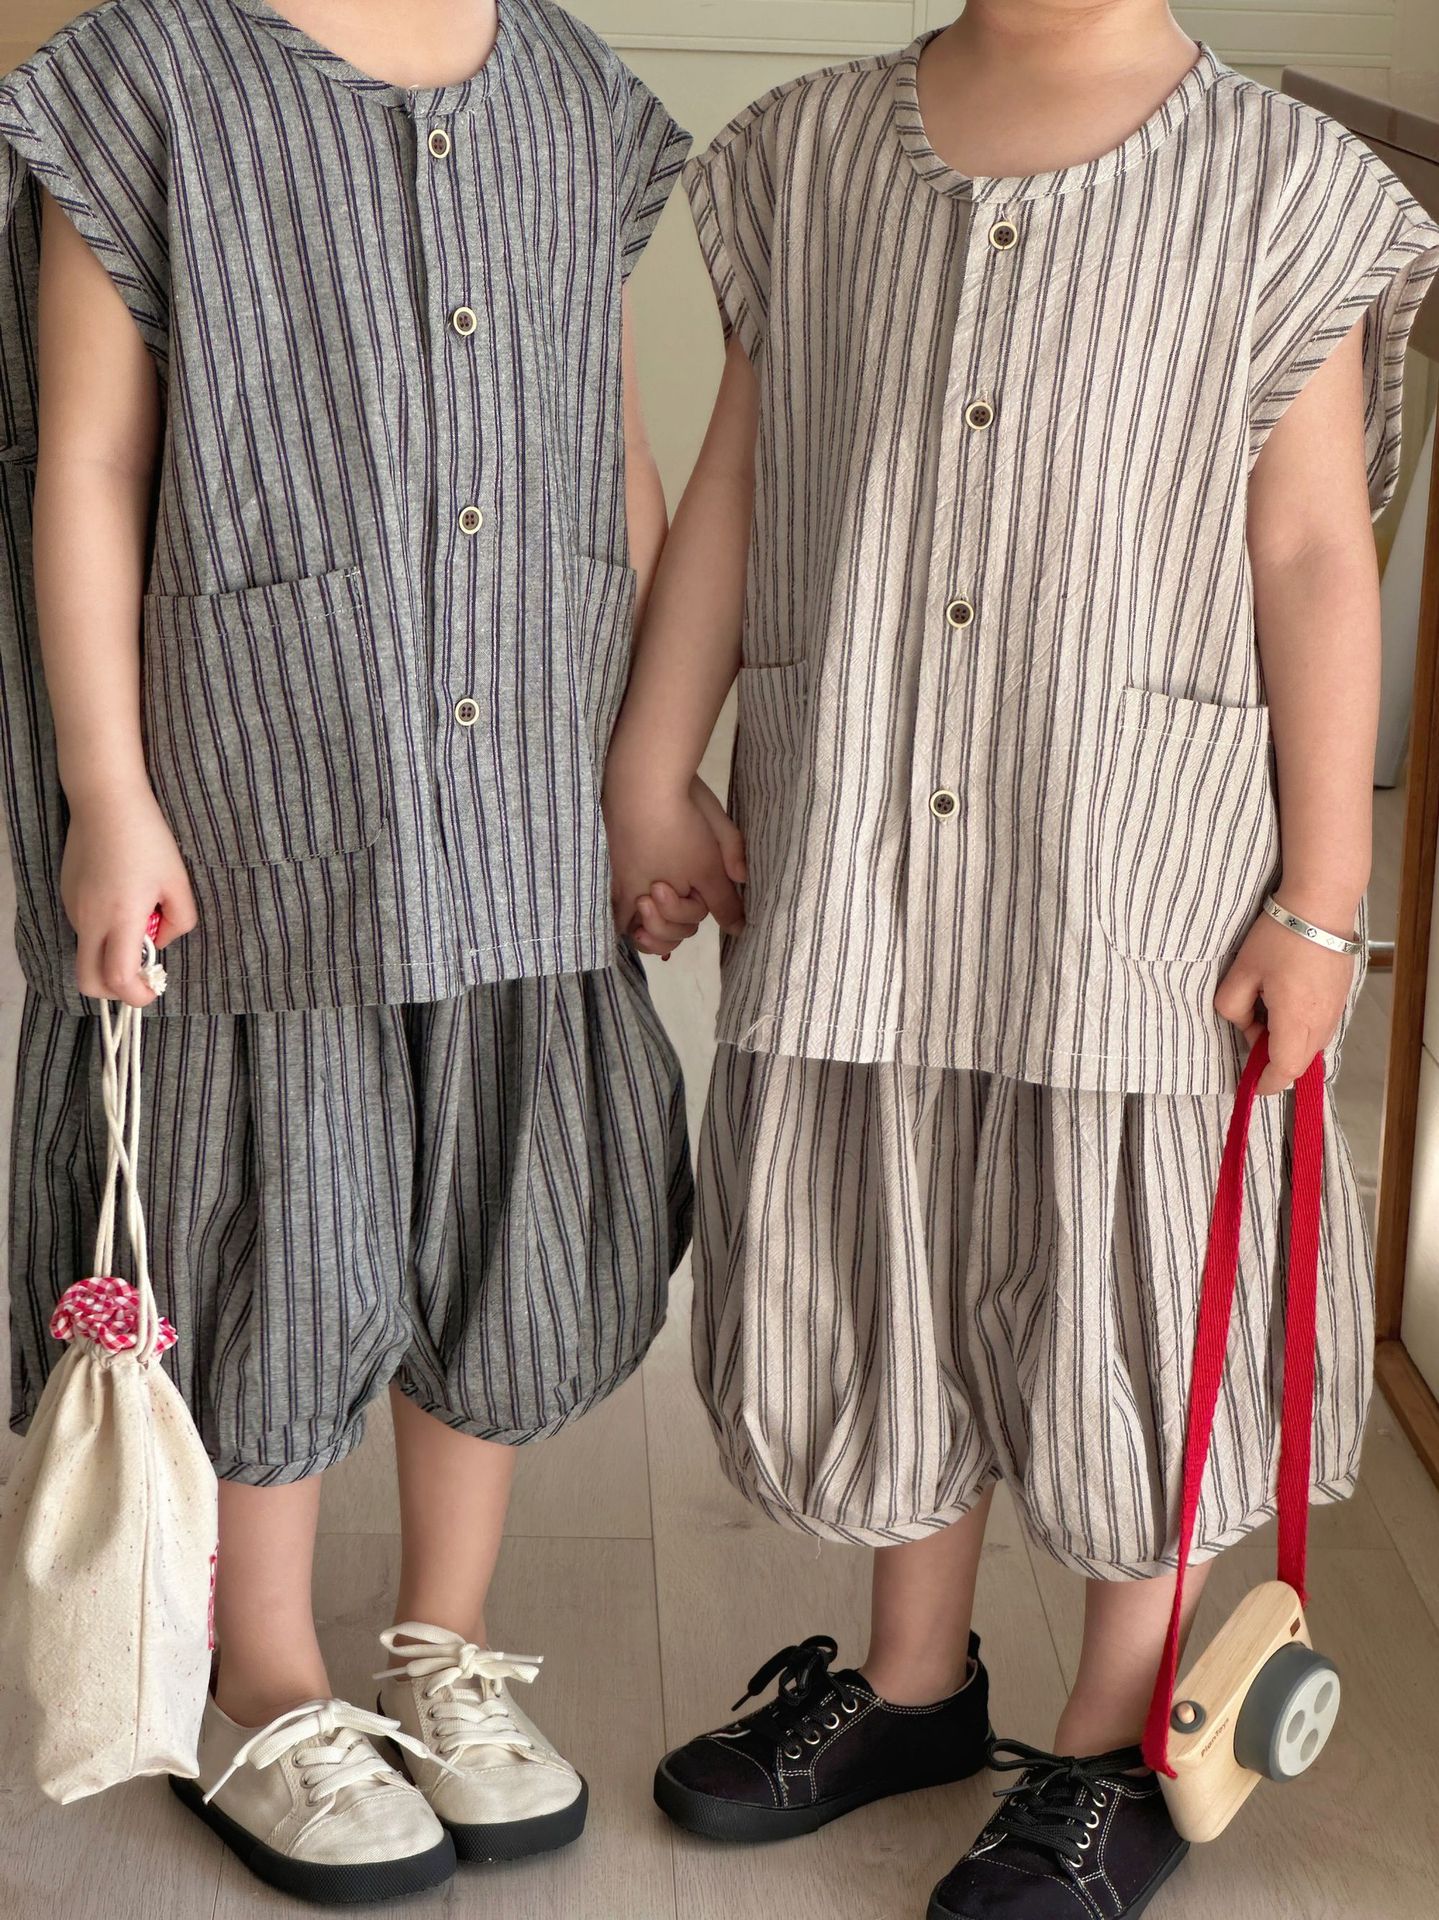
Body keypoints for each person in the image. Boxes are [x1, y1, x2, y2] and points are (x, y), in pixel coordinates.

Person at [601, 2, 1439, 1914]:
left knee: (1122, 1287)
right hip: (867, 850)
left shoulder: (1285, 188)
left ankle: (1117, 1738)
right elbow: (740, 482)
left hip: (1132, 880)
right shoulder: (811, 158)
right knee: (894, 1251)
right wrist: (653, 765)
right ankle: (912, 1684)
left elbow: (1318, 553)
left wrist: (1324, 903)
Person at [0, 0, 696, 1901]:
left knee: (497, 1226)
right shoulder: (142, 84)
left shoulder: (573, 93)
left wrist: (649, 770)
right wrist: (104, 790)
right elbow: (87, 463)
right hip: (259, 797)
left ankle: (442, 1647)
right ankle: (265, 1676)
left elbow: (613, 452)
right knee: (273, 1240)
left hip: (527, 791)